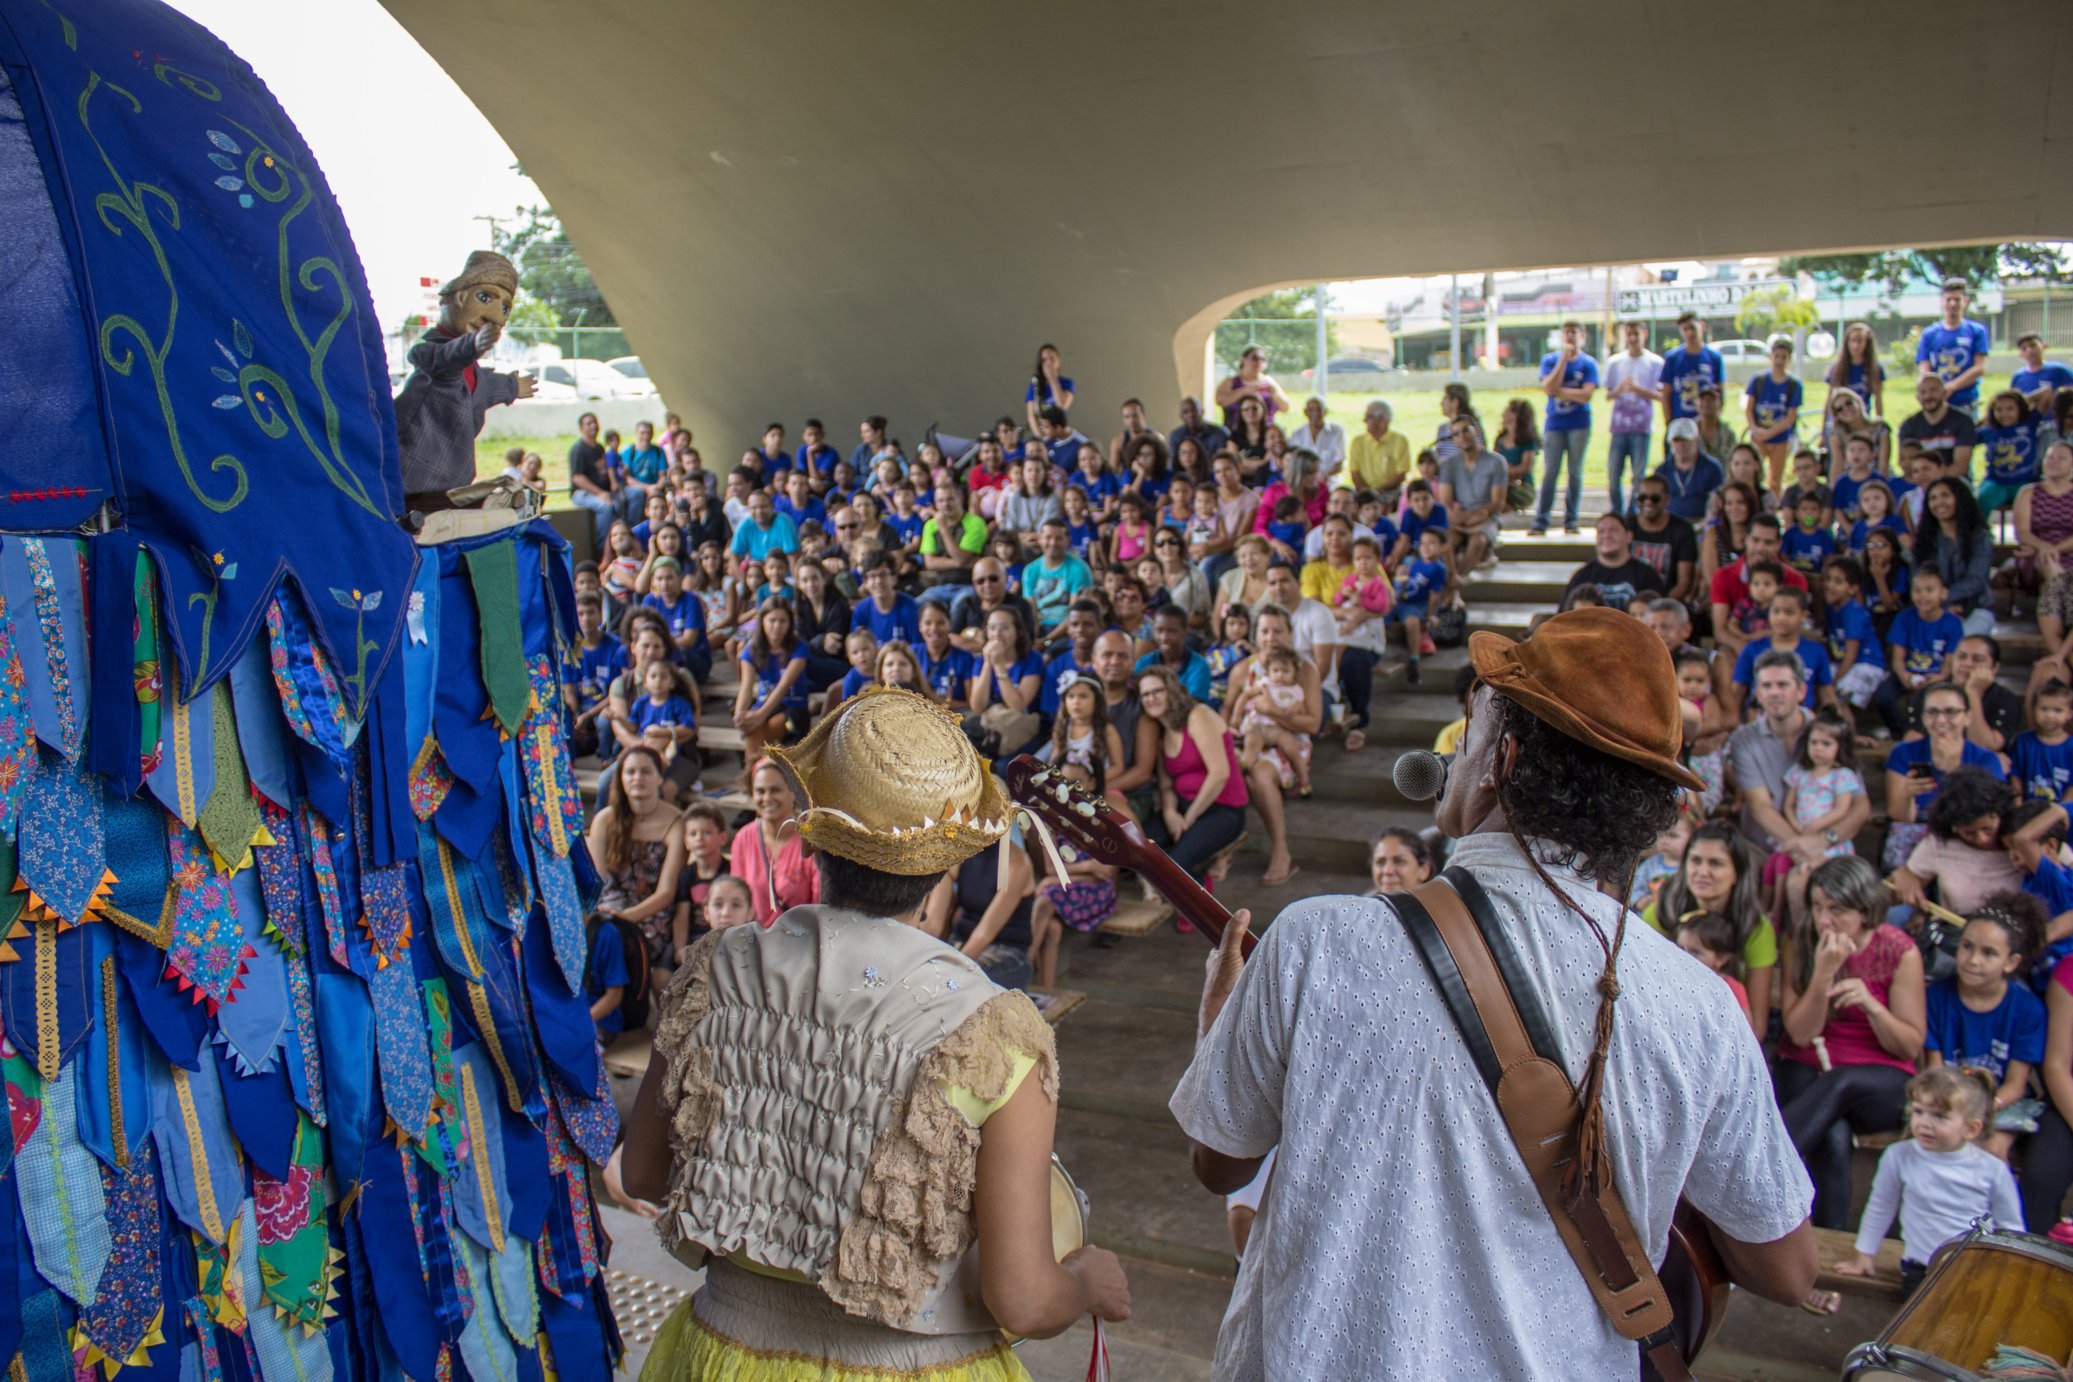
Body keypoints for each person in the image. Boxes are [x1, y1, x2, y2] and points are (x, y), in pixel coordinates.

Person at [1173, 607, 1816, 1378]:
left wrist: (1220, 1014)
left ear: (1501, 758)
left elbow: (1220, 1164)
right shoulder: (1703, 1005)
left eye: (1471, 730)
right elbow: (1786, 1270)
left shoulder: (1315, 940)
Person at [623, 691, 1131, 1376]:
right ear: (945, 867)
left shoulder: (716, 966)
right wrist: (1083, 1285)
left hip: (721, 1349)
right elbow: (1022, 1300)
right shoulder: (993, 1027)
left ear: (814, 835)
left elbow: (642, 1174)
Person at [1923, 901, 2046, 1159]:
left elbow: (2015, 1085)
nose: (1973, 960)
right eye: (1967, 947)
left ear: (2011, 962)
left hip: (2000, 1103)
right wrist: (1953, 1111)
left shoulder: (2028, 1010)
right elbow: (1935, 1070)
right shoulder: (1935, 998)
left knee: (1990, 1150)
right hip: (1943, 1099)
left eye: (1988, 953)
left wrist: (1979, 1110)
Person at [1136, 663, 1248, 885]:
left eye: (1158, 691)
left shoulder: (1198, 715)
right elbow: (1166, 785)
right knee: (1140, 846)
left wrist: (1188, 819)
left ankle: (1202, 893)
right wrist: (1169, 813)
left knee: (1175, 866)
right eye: (1145, 694)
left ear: (1172, 690)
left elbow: (1219, 773)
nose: (1151, 698)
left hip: (1223, 810)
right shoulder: (1161, 732)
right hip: (1184, 805)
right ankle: (1208, 859)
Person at [589, 744, 689, 979]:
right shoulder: (604, 820)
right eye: (630, 772)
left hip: (653, 913)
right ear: (621, 778)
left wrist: (625, 918)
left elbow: (666, 893)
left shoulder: (676, 821)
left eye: (645, 771)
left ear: (659, 777)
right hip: (610, 907)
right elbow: (598, 881)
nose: (637, 778)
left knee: (624, 947)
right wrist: (608, 916)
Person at [1532, 320, 1600, 535]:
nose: (1570, 336)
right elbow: (1548, 387)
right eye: (1566, 332)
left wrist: (1559, 391)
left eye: (1574, 332)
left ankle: (1571, 521)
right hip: (1555, 424)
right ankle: (1541, 520)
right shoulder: (1550, 360)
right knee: (1550, 471)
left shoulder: (1588, 364)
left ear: (1582, 336)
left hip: (1579, 424)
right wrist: (1563, 359)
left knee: (1575, 473)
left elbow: (1587, 395)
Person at [1603, 319, 1663, 515]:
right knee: (1613, 474)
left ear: (1644, 334)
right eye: (1628, 334)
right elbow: (1608, 395)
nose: (1632, 338)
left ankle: (1634, 513)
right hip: (1619, 428)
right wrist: (1621, 388)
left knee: (1638, 475)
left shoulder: (1655, 363)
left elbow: (1661, 396)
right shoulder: (1615, 362)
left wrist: (1638, 389)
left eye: (1635, 334)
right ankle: (1617, 511)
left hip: (1641, 427)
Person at [1438, 416, 1510, 570]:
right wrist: (1459, 516)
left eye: (1466, 430)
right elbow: (1445, 501)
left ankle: (1460, 578)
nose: (1462, 436)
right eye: (1456, 434)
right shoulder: (1448, 465)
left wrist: (1477, 515)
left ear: (1476, 431)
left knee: (1478, 541)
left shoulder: (1496, 462)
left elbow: (1498, 503)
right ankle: (1450, 578)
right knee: (1447, 542)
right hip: (1459, 516)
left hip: (1487, 516)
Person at [1917, 278, 1992, 415]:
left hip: (1967, 402)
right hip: (1938, 404)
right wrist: (1935, 390)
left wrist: (1952, 386)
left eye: (1957, 299)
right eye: (1948, 299)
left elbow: (1979, 367)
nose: (1952, 304)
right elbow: (1924, 367)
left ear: (1965, 301)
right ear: (1942, 301)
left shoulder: (1976, 331)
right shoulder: (1929, 334)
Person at [1564, 513, 1666, 611]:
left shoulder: (1647, 575)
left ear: (1629, 536)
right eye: (1601, 531)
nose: (1607, 535)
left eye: (1613, 530)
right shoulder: (1582, 577)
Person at [1624, 475, 1699, 605]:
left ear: (1667, 500)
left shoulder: (1682, 530)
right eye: (1642, 498)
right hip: (1628, 604)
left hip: (1666, 605)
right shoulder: (1626, 526)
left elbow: (1685, 583)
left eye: (1655, 498)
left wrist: (1659, 608)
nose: (1648, 502)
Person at [1744, 338, 1805, 493]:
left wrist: (1770, 433)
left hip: (1780, 438)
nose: (1779, 360)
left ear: (1789, 359)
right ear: (1771, 356)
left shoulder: (1793, 385)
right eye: (1776, 356)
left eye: (1783, 357)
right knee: (1751, 474)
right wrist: (1755, 429)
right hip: (1758, 435)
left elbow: (1790, 416)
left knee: (1775, 479)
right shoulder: (1758, 380)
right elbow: (1749, 408)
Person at [1659, 310, 1726, 441]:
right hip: (1680, 420)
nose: (1689, 333)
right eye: (1685, 329)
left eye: (1692, 328)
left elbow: (1720, 391)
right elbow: (1666, 393)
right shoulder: (1672, 358)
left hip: (1705, 421)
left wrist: (1715, 418)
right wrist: (1669, 421)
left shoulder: (1714, 357)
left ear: (1702, 326)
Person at [1898, 374, 1980, 477]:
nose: (1928, 396)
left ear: (1945, 393)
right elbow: (1907, 465)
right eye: (1923, 392)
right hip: (1921, 483)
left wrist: (1936, 483)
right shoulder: (1908, 426)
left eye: (1933, 390)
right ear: (1918, 398)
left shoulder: (1963, 421)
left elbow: (1961, 466)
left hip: (1955, 482)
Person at [1653, 417, 1725, 522]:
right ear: (1670, 443)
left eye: (1686, 440)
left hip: (1702, 523)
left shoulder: (1712, 468)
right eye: (1676, 441)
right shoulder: (1662, 470)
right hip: (1669, 524)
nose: (1681, 445)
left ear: (1696, 440)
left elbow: (1718, 503)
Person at [1341, 399, 1410, 502]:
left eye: (1368, 417)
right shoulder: (1357, 442)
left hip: (1391, 492)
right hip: (1363, 491)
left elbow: (1401, 474)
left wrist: (1378, 491)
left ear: (1383, 420)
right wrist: (1367, 492)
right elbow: (1354, 473)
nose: (1364, 420)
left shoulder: (1400, 441)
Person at [1215, 345, 1292, 429]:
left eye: (1262, 359)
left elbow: (1285, 408)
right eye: (1255, 358)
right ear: (1243, 360)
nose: (1259, 362)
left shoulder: (1269, 381)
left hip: (1265, 434)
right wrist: (1245, 391)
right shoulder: (1231, 382)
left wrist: (1274, 393)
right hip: (1236, 434)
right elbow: (1220, 401)